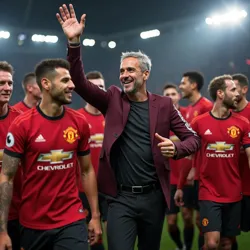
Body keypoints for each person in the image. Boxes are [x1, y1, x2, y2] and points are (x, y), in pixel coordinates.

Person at [57, 4, 201, 250]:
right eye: (122, 70)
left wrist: (175, 149)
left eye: (130, 70)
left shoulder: (165, 105)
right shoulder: (111, 99)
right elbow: (79, 83)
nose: (123, 74)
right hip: (119, 199)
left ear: (145, 74)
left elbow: (193, 139)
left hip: (153, 197)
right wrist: (74, 44)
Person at [0, 59, 102, 250]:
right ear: (46, 84)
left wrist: (95, 216)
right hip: (33, 222)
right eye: (65, 81)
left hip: (71, 217)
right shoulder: (22, 125)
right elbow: (7, 176)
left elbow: (87, 171)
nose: (72, 85)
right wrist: (2, 230)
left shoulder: (79, 122)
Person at [175, 74, 250, 250]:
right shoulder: (198, 123)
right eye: (232, 90)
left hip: (233, 192)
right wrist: (180, 185)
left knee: (227, 243)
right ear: (221, 94)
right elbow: (188, 156)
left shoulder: (243, 124)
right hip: (208, 192)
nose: (237, 94)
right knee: (211, 242)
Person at [179, 71, 213, 249]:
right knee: (187, 215)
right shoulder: (190, 109)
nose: (180, 86)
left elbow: (209, 142)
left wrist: (196, 168)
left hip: (202, 173)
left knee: (202, 220)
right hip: (191, 172)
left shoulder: (206, 106)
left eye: (183, 83)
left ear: (193, 85)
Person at [77, 71, 107, 250]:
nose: (98, 90)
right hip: (85, 189)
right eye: (93, 86)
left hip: (112, 187)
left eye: (101, 86)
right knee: (94, 238)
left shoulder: (114, 116)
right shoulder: (76, 118)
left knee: (116, 235)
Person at [163, 84, 192, 250]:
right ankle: (180, 246)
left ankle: (187, 247)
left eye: (174, 93)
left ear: (179, 96)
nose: (171, 96)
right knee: (172, 222)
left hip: (186, 175)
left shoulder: (189, 115)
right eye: (167, 94)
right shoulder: (158, 118)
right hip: (168, 179)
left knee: (189, 217)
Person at [0, 61, 22, 250]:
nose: (7, 88)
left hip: (18, 214)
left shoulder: (21, 121)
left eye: (10, 83)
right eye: (1, 83)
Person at [232, 74, 250, 235]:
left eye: (234, 88)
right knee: (228, 237)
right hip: (231, 188)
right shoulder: (224, 115)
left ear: (244, 89)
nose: (230, 92)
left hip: (249, 185)